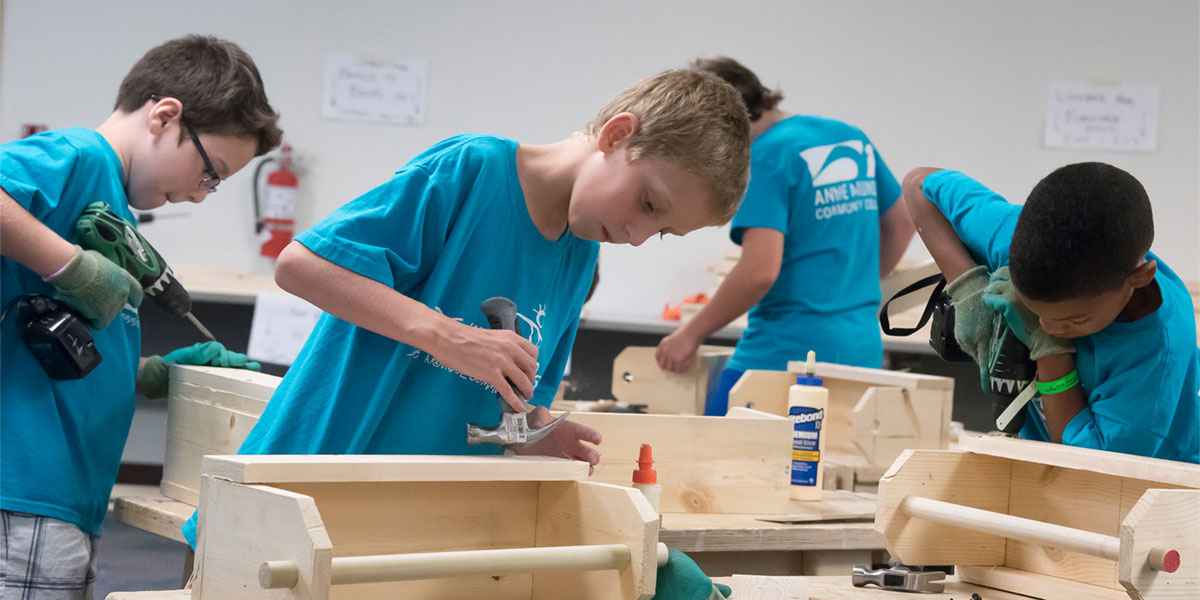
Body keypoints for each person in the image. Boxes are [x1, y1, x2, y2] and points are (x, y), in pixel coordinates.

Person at [180, 68, 752, 548]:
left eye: (662, 231)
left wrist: (532, 433)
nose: (636, 233)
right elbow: (300, 265)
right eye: (648, 203)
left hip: (410, 526)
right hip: (304, 493)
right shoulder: (472, 170)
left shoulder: (580, 260)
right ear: (617, 134)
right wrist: (444, 334)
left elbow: (510, 400)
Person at [0, 34, 281, 596]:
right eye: (211, 172)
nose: (204, 195)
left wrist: (151, 372)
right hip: (25, 490)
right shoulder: (78, 158)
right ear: (165, 117)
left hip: (68, 499)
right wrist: (71, 268)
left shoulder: (114, 209)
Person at [656, 56, 913, 415]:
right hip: (860, 347)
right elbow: (902, 222)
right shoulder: (849, 138)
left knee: (714, 448)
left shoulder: (766, 156)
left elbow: (759, 271)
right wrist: (849, 287)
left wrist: (690, 334)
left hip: (786, 353)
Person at [903, 163, 1198, 462]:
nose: (1051, 326)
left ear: (1140, 277)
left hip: (1152, 485)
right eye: (1035, 312)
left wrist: (1049, 349)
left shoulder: (1153, 368)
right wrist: (968, 288)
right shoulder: (1020, 240)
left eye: (1074, 320)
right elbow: (917, 184)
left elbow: (1083, 467)